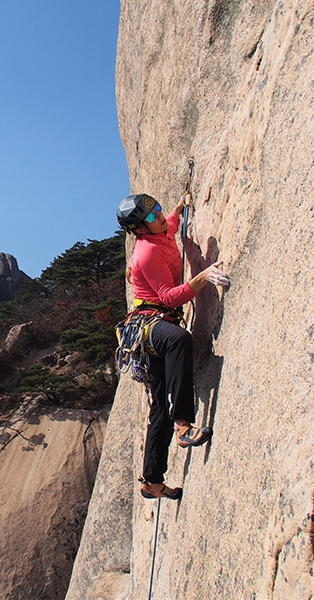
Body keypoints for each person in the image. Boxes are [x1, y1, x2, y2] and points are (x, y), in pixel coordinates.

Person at [116, 192, 230, 500]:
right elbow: (168, 297)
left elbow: (172, 222)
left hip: (155, 325)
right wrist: (203, 276)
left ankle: (152, 481)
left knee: (158, 410)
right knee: (180, 339)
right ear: (139, 229)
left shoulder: (161, 227)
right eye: (152, 216)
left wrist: (179, 206)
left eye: (158, 210)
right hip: (147, 326)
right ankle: (183, 425)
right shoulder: (145, 254)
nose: (160, 217)